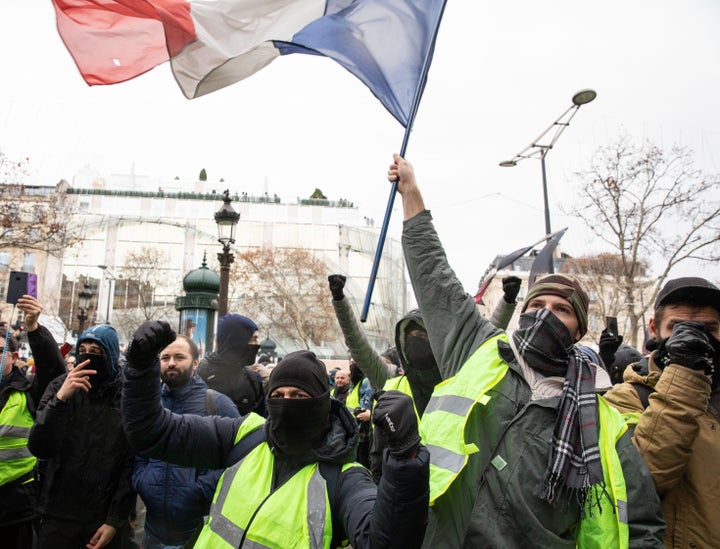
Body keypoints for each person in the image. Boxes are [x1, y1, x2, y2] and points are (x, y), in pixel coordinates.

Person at [389, 153, 665, 548]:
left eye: (562, 310)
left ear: (579, 329)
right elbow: (435, 277)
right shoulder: (478, 349)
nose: (546, 316)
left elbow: (641, 525)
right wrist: (412, 195)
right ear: (522, 312)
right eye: (537, 306)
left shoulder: (603, 423)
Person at [122, 320, 430, 549]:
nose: (287, 404)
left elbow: (388, 542)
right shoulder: (244, 436)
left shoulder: (344, 479)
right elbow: (152, 432)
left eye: (298, 396)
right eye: (279, 394)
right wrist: (139, 368)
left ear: (322, 405)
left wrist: (405, 457)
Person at [602, 277, 720, 548]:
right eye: (677, 328)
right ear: (654, 329)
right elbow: (641, 484)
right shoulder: (624, 399)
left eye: (708, 328)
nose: (696, 338)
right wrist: (686, 372)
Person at [28, 323, 135, 549]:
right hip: (56, 515)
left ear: (111, 355)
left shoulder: (126, 397)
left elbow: (130, 463)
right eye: (83, 350)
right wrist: (60, 400)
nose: (88, 356)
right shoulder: (60, 386)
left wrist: (115, 519)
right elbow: (39, 446)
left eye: (96, 353)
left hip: (101, 519)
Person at [132, 334, 240, 549]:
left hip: (198, 530)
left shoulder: (217, 404)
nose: (171, 363)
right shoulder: (151, 405)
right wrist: (142, 479)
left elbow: (238, 459)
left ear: (196, 363)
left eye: (179, 357)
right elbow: (139, 448)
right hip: (152, 531)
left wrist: (200, 490)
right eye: (165, 357)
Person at [0, 296, 65, 549]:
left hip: (15, 508)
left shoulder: (28, 390)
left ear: (14, 356)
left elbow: (54, 371)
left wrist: (34, 329)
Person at [197, 313, 266, 416]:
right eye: (253, 339)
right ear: (236, 341)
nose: (257, 343)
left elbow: (261, 422)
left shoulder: (253, 379)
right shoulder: (200, 375)